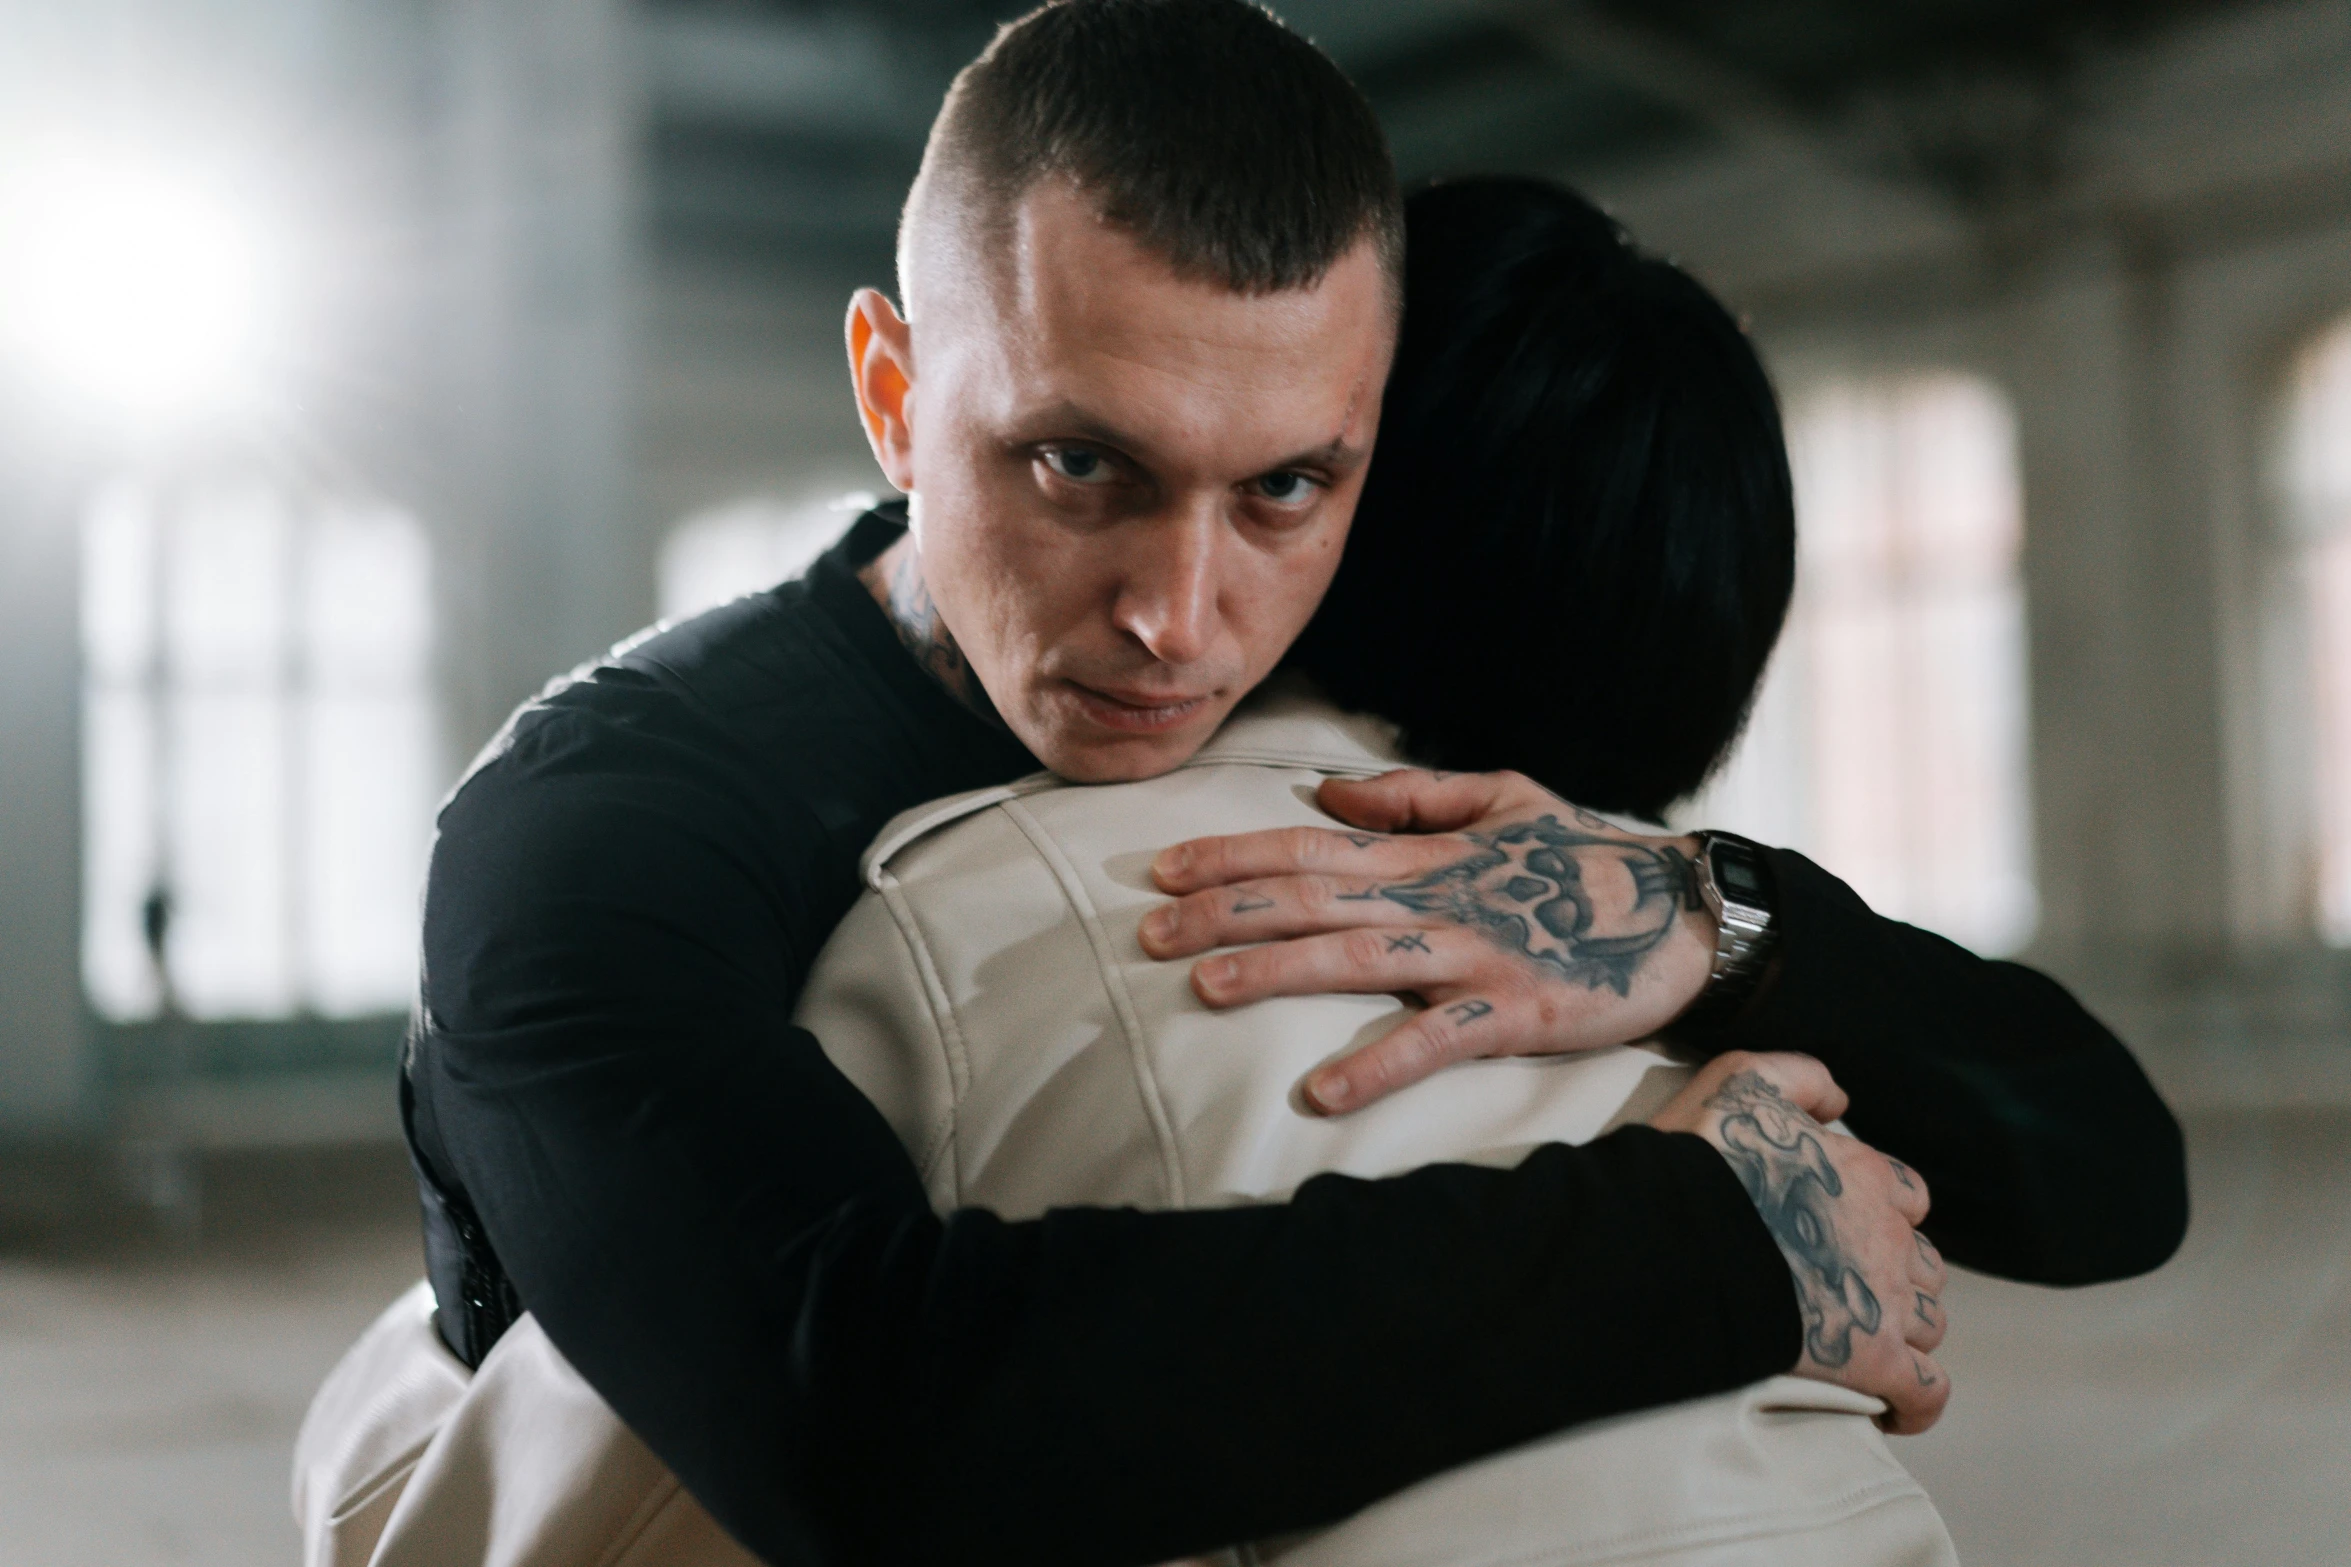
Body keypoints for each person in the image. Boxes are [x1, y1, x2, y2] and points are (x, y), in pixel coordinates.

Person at [365, 7, 2184, 1565]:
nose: (1177, 618)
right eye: (1079, 464)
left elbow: (2109, 1166)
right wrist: (1702, 1234)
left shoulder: (1417, 765)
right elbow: (853, 1418)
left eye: (1286, 491)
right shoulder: (605, 827)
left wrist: (1717, 924)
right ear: (893, 391)